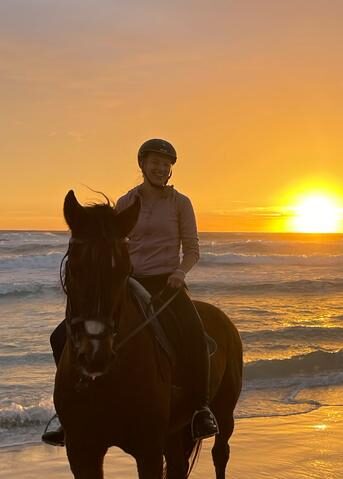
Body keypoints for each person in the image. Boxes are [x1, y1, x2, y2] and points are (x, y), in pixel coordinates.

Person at [42, 138, 219, 446]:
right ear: (142, 165)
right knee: (61, 336)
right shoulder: (126, 202)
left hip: (167, 283)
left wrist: (180, 272)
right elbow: (111, 244)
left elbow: (192, 249)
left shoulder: (180, 204)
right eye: (155, 162)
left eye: (166, 165)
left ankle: (200, 409)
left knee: (194, 335)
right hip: (129, 281)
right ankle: (66, 412)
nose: (161, 169)